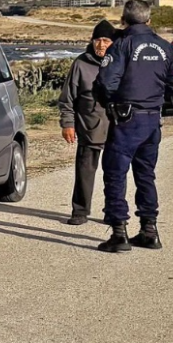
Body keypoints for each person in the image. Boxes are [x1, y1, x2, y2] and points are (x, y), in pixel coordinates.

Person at [96, 0, 173, 253]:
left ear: (123, 20)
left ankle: (119, 232)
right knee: (146, 174)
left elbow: (105, 82)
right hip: (152, 118)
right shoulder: (166, 48)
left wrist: (112, 104)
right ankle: (149, 229)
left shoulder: (121, 46)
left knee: (115, 173)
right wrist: (156, 100)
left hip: (127, 117)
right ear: (149, 20)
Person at [58, 20, 116, 225]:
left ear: (113, 42)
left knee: (115, 174)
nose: (101, 45)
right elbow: (67, 98)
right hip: (88, 126)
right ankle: (80, 211)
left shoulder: (121, 61)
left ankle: (113, 211)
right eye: (97, 40)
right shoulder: (80, 64)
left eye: (106, 41)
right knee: (84, 171)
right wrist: (67, 124)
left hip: (117, 128)